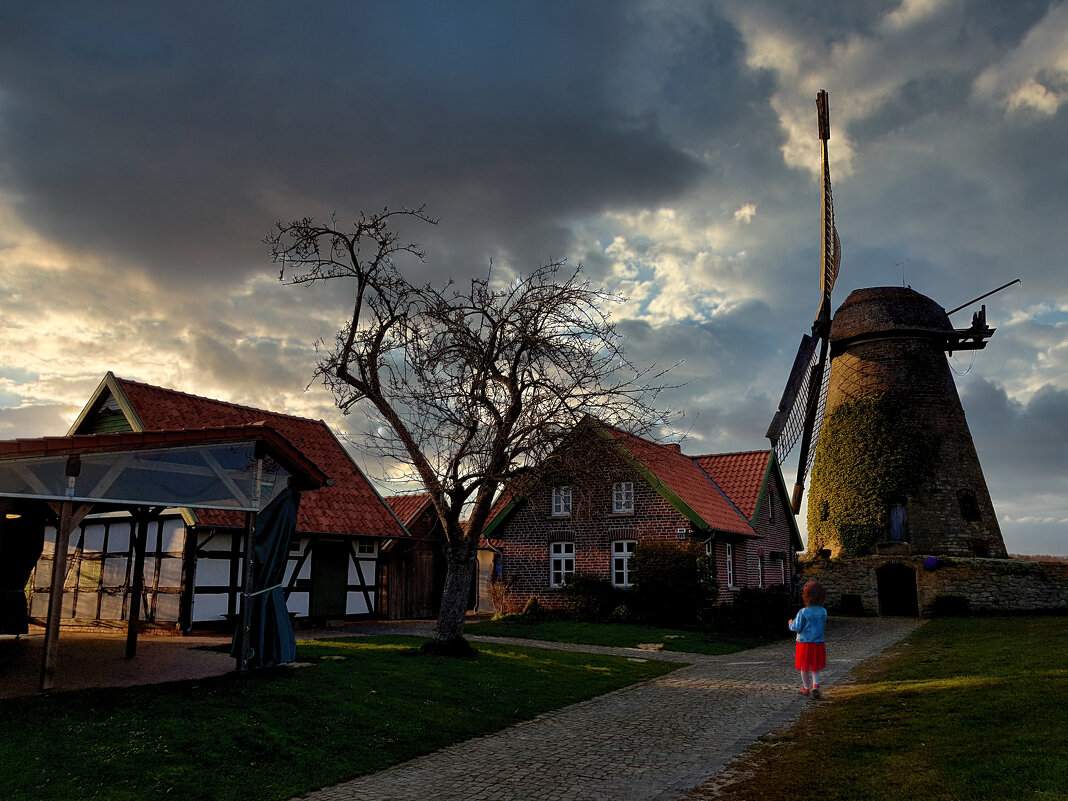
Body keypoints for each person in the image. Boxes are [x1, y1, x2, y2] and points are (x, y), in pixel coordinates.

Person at [789, 581, 828, 698]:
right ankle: (815, 685)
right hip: (818, 642)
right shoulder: (823, 611)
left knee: (804, 666)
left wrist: (790, 623)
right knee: (815, 665)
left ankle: (806, 688)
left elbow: (797, 627)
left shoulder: (803, 612)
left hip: (804, 643)